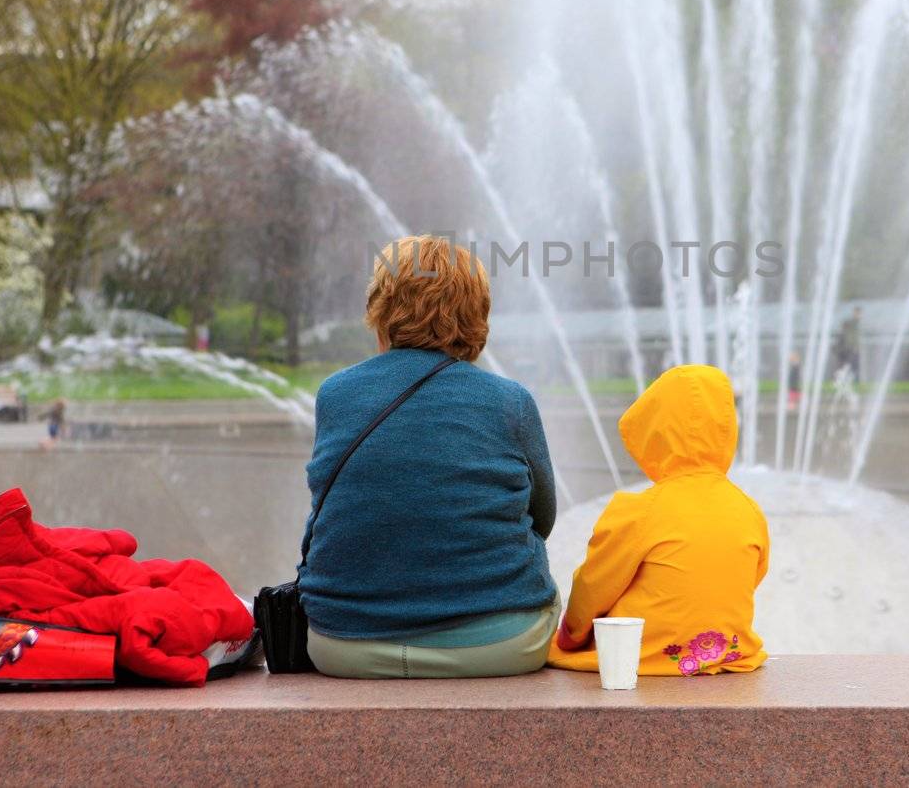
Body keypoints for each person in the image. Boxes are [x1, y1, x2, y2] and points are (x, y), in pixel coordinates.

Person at [298, 235, 559, 679]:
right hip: (498, 644)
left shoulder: (335, 394)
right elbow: (544, 518)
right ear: (476, 313)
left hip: (342, 646)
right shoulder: (509, 401)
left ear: (381, 307)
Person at [548, 364, 769, 676]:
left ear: (654, 432)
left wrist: (572, 634)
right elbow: (749, 577)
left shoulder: (642, 510)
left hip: (643, 655)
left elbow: (595, 585)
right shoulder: (748, 509)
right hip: (729, 653)